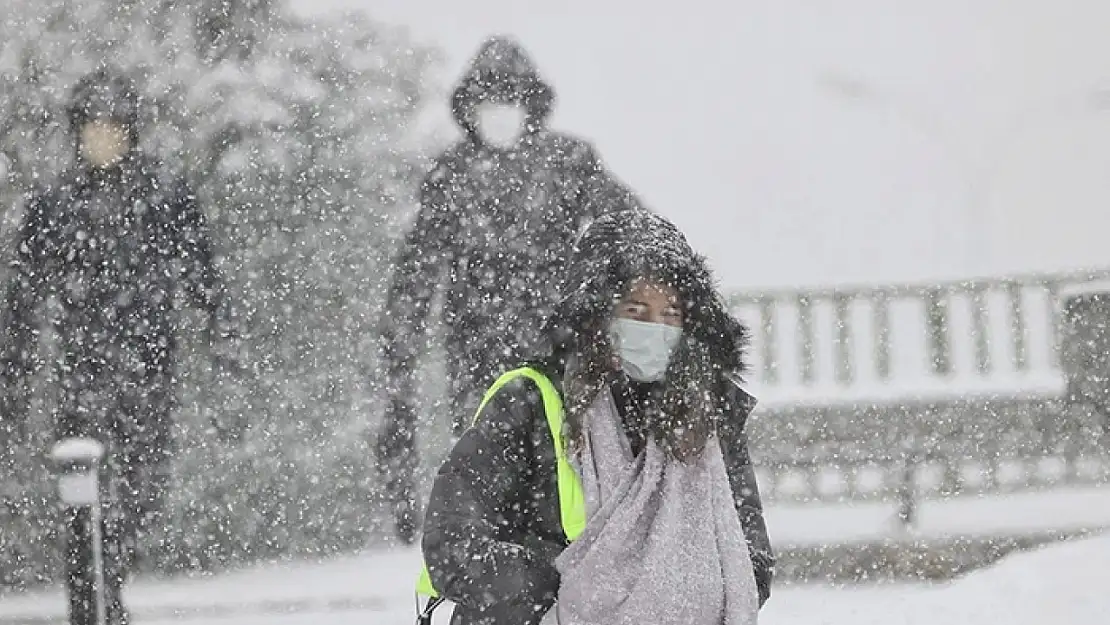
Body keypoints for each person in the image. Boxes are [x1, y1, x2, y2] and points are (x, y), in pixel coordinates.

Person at [418, 210, 773, 625]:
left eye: (670, 314)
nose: (655, 328)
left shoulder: (706, 415)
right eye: (636, 311)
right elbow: (453, 539)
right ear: (595, 314)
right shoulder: (531, 400)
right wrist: (555, 594)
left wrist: (681, 591)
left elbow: (750, 558)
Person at [0, 67, 238, 625]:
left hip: (150, 371)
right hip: (81, 375)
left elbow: (203, 276)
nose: (103, 138)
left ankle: (114, 581)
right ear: (77, 134)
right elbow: (22, 299)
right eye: (92, 128)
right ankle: (90, 605)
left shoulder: (166, 195)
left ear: (131, 132)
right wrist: (12, 376)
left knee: (140, 497)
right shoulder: (53, 205)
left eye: (113, 127)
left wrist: (222, 341)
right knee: (82, 500)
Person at [377, 35, 635, 544]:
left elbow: (626, 226)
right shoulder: (451, 176)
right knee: (491, 472)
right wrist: (400, 339)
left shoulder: (568, 163)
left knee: (564, 467)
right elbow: (417, 269)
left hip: (559, 347)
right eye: (488, 102)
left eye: (508, 100)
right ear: (470, 110)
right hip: (478, 356)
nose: (499, 113)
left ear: (529, 105)